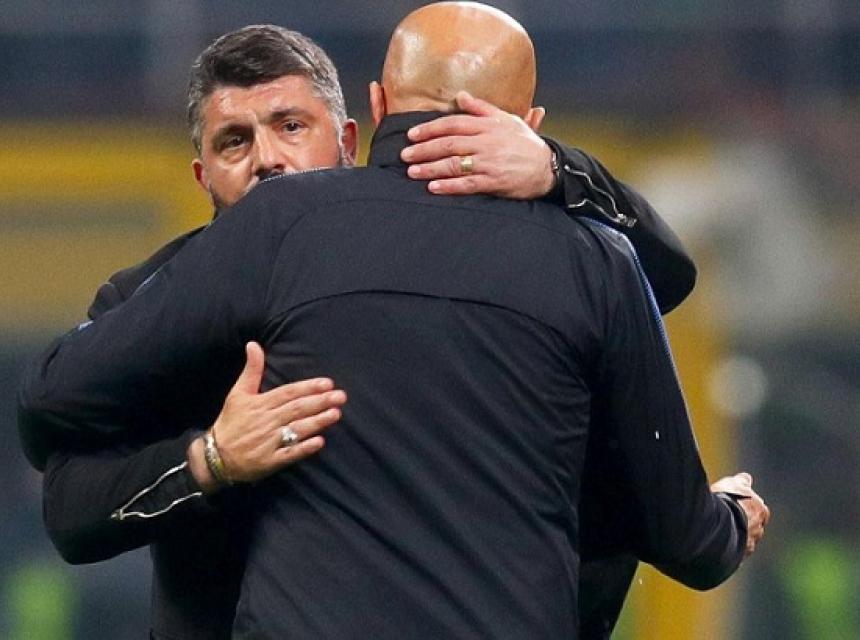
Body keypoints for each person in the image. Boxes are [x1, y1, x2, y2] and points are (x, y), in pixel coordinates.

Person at [17, 16, 741, 640]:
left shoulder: (497, 257)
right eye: (234, 141)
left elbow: (659, 276)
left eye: (290, 126)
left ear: (352, 136)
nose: (268, 160)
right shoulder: (147, 302)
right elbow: (70, 506)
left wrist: (557, 167)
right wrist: (208, 460)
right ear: (202, 174)